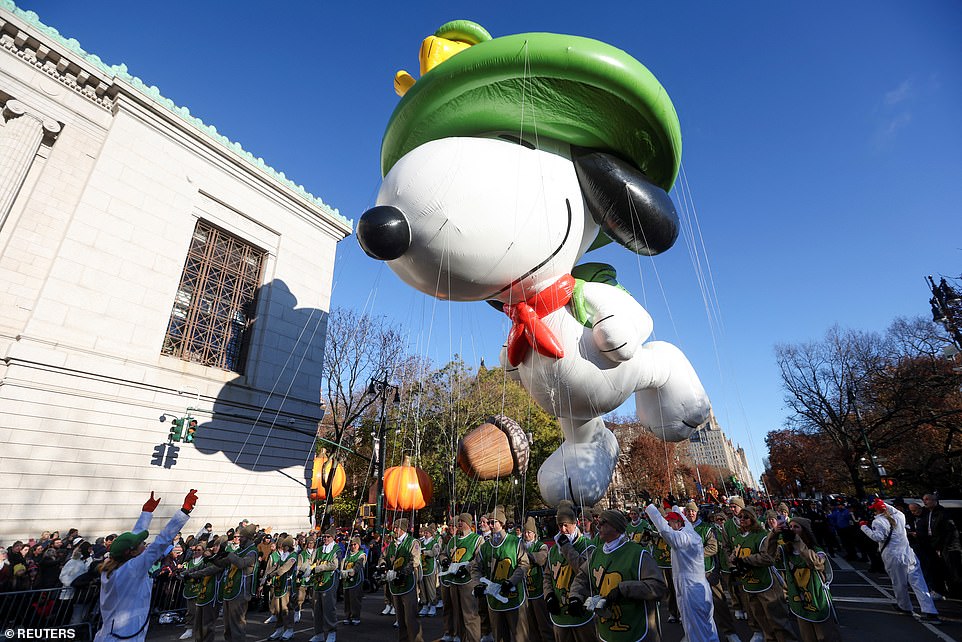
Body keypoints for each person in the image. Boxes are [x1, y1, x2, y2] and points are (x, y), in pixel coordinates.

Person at [93, 489, 197, 642]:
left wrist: (146, 513)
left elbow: (134, 538)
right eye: (142, 544)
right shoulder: (132, 569)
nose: (145, 545)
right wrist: (184, 511)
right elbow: (161, 542)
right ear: (132, 552)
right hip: (125, 636)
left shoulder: (113, 565)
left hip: (114, 632)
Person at [569, 508, 668, 641]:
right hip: (606, 631)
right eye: (598, 522)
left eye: (603, 523)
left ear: (615, 527)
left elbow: (658, 587)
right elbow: (582, 578)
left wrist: (623, 589)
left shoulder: (638, 554)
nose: (598, 526)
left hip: (636, 630)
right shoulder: (596, 553)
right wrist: (575, 597)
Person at [860, 498, 941, 623]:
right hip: (908, 553)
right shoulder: (900, 516)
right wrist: (882, 503)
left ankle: (905, 606)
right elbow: (892, 511)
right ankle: (930, 611)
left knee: (899, 583)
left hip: (893, 556)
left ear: (877, 511)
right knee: (919, 583)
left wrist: (864, 527)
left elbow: (878, 537)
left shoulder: (879, 522)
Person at [646, 504, 719, 642]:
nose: (668, 524)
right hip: (696, 585)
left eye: (670, 522)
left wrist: (650, 507)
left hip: (690, 588)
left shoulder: (683, 539)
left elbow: (664, 530)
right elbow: (684, 521)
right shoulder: (689, 531)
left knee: (696, 624)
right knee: (704, 623)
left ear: (678, 523)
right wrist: (674, 506)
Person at [765, 517, 840, 642]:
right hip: (799, 599)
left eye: (796, 527)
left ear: (804, 531)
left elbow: (815, 562)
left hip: (817, 599)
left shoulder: (817, 551)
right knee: (807, 636)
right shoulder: (785, 551)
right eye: (791, 527)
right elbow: (769, 555)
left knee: (826, 636)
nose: (792, 529)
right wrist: (773, 534)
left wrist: (796, 541)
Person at [729, 506, 797, 642]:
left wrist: (745, 560)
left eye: (746, 517)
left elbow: (768, 558)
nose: (742, 519)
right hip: (749, 585)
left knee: (778, 623)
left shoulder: (761, 536)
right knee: (764, 624)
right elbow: (734, 555)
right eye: (740, 517)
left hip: (766, 585)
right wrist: (733, 561)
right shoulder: (738, 537)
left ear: (753, 519)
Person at [471, 506, 530, 642]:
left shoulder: (515, 542)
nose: (490, 526)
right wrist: (478, 584)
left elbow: (524, 564)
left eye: (493, 522)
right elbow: (475, 568)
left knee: (520, 635)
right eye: (489, 522)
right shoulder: (485, 547)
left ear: (502, 523)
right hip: (494, 599)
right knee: (500, 636)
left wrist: (511, 581)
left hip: (514, 597)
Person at [543, 501, 596, 642]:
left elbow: (584, 571)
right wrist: (548, 595)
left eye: (566, 525)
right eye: (560, 525)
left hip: (581, 610)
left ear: (575, 523)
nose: (563, 530)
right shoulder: (554, 550)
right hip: (560, 613)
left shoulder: (587, 546)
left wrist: (567, 548)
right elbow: (548, 576)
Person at [439, 513, 482, 642]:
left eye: (462, 522)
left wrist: (466, 568)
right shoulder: (453, 540)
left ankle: (474, 639)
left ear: (468, 524)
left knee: (470, 616)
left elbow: (479, 559)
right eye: (458, 522)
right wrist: (444, 561)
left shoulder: (477, 539)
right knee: (458, 614)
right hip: (454, 581)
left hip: (468, 581)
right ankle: (462, 638)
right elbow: (443, 554)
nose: (459, 524)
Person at [385, 518, 424, 642]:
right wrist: (382, 566)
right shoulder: (392, 544)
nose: (394, 530)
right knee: (400, 618)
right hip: (395, 585)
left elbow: (415, 561)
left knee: (411, 617)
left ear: (403, 529)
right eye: (394, 527)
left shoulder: (413, 542)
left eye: (397, 527)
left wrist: (401, 572)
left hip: (408, 583)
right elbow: (384, 557)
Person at [183, 536, 226, 642]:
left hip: (212, 596)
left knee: (207, 625)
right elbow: (199, 567)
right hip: (203, 594)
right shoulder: (210, 559)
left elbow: (208, 570)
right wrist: (184, 573)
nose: (213, 548)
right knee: (198, 624)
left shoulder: (222, 560)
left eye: (216, 546)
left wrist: (192, 576)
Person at [521, 517, 552, 642]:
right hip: (526, 591)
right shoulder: (520, 545)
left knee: (544, 624)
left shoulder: (541, 545)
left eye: (529, 532)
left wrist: (527, 555)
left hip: (539, 590)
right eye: (525, 532)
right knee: (531, 625)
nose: (527, 535)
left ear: (534, 533)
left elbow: (541, 558)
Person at [309, 527, 342, 642]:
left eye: (328, 537)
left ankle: (332, 631)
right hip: (318, 582)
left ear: (333, 538)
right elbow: (311, 562)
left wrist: (318, 568)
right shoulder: (318, 550)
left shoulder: (336, 549)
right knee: (316, 608)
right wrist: (306, 569)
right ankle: (318, 633)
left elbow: (334, 565)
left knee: (329, 607)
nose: (326, 539)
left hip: (329, 582)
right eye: (324, 537)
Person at [262, 535, 297, 640]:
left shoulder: (293, 556)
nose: (283, 547)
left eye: (285, 546)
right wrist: (266, 575)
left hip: (288, 585)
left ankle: (289, 629)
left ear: (289, 546)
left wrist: (272, 575)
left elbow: (284, 568)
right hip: (279, 585)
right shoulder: (282, 555)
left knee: (286, 608)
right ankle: (279, 628)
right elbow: (275, 566)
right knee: (278, 608)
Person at [341, 536, 367, 625]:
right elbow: (342, 565)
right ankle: (347, 616)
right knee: (347, 600)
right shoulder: (347, 555)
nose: (353, 546)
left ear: (358, 545)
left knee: (355, 599)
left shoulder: (361, 554)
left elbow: (359, 564)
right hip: (346, 580)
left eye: (355, 544)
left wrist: (353, 571)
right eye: (351, 545)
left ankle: (356, 617)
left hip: (356, 580)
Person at [418, 523, 440, 616]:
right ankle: (424, 605)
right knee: (422, 588)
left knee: (431, 587)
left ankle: (433, 605)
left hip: (430, 567)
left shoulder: (434, 542)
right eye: (425, 532)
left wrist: (425, 552)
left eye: (427, 533)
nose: (425, 534)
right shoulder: (421, 542)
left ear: (431, 534)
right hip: (423, 568)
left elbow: (435, 552)